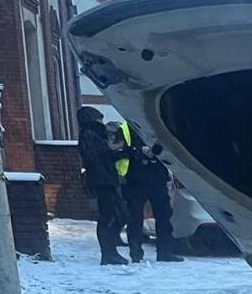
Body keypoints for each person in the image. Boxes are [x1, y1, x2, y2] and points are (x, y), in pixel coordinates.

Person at [117, 121, 185, 262]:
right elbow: (117, 150)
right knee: (135, 218)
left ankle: (165, 252)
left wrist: (157, 150)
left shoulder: (157, 123)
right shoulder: (125, 129)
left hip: (157, 178)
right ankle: (136, 253)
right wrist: (137, 151)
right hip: (135, 179)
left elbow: (170, 147)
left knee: (164, 216)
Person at [76, 106, 126, 266]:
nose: (102, 122)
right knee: (108, 216)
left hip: (104, 179)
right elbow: (98, 158)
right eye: (99, 119)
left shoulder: (93, 135)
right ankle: (108, 253)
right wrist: (116, 152)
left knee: (115, 214)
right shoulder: (90, 135)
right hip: (103, 181)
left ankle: (111, 251)